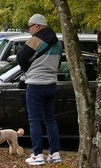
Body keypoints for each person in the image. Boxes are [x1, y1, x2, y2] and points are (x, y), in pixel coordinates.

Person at [16, 14, 63, 165]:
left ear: (37, 26)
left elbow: (20, 58)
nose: (29, 30)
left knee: (34, 120)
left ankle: (37, 155)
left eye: (29, 27)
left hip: (35, 85)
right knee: (50, 120)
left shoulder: (35, 40)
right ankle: (55, 153)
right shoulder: (58, 43)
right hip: (51, 85)